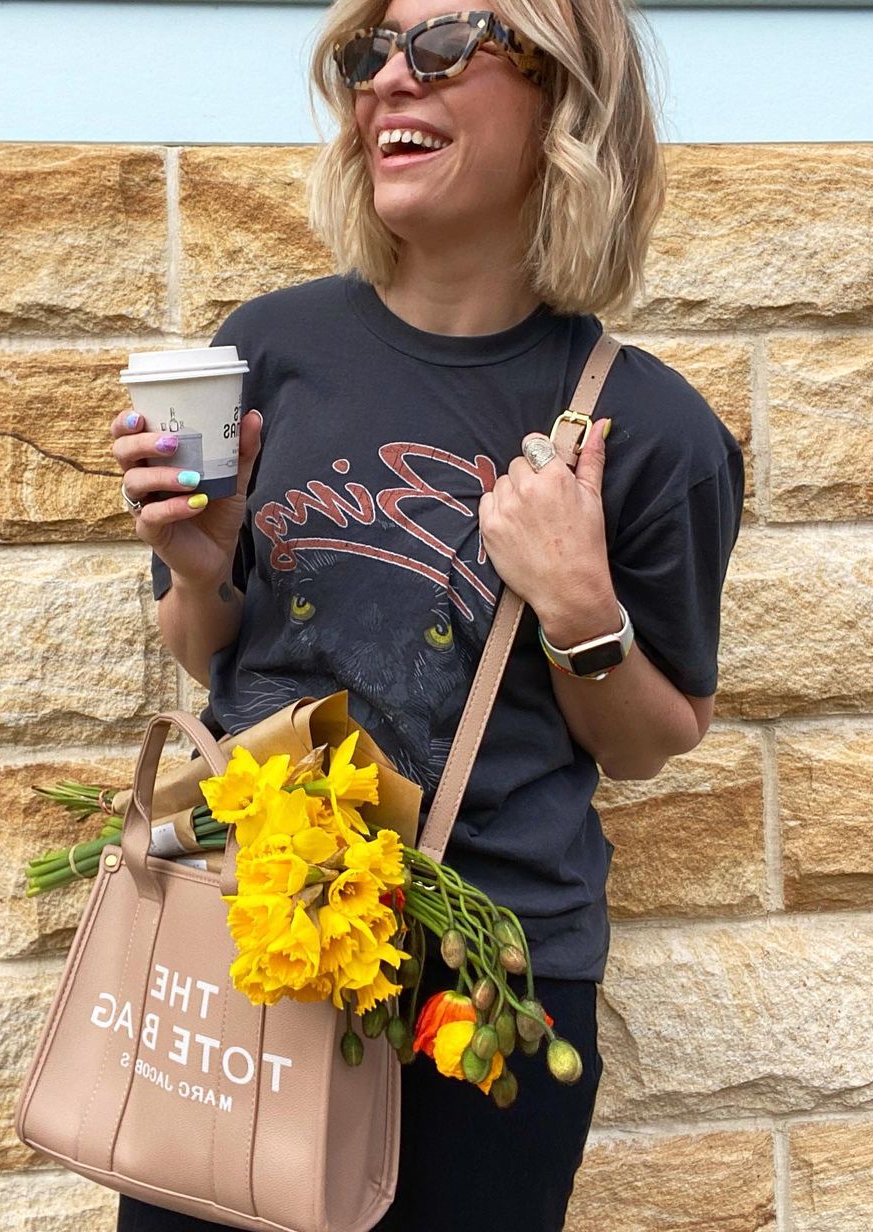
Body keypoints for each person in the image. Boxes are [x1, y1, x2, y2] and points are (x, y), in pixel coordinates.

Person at [110, 0, 744, 1226]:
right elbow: (207, 649)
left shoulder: (653, 431)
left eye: (447, 43)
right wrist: (198, 568)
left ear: (566, 98)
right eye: (371, 52)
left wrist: (580, 605)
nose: (392, 79)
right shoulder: (268, 349)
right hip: (248, 935)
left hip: (485, 985)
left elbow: (653, 738)